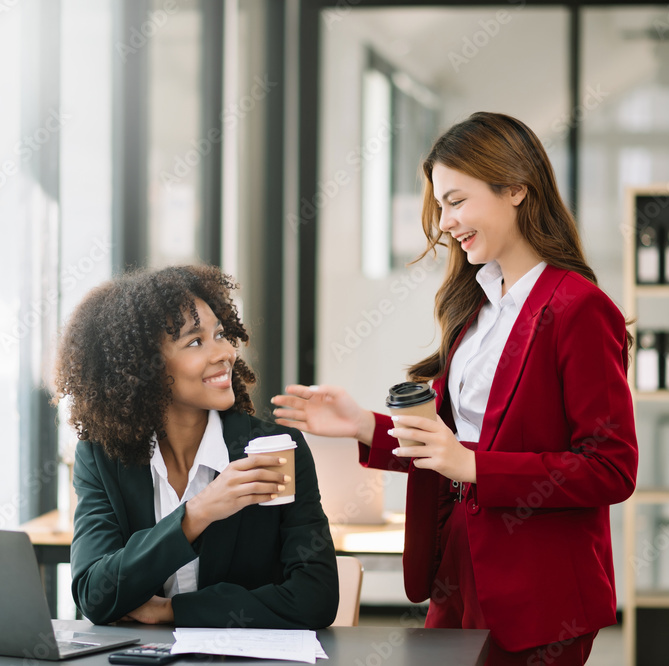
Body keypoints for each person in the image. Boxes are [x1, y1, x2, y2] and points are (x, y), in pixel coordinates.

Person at [272, 111, 638, 665]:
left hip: (537, 594)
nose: (444, 222)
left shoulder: (578, 309)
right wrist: (365, 426)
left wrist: (475, 467)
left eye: (456, 201)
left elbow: (611, 467)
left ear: (516, 188)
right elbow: (451, 448)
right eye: (441, 205)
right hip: (456, 570)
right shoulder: (477, 307)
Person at [54, 264, 338, 629]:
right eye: (195, 341)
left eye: (220, 334)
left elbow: (316, 598)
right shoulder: (102, 458)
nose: (224, 353)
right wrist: (196, 514)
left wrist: (173, 611)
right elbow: (95, 594)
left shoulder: (276, 451)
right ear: (145, 368)